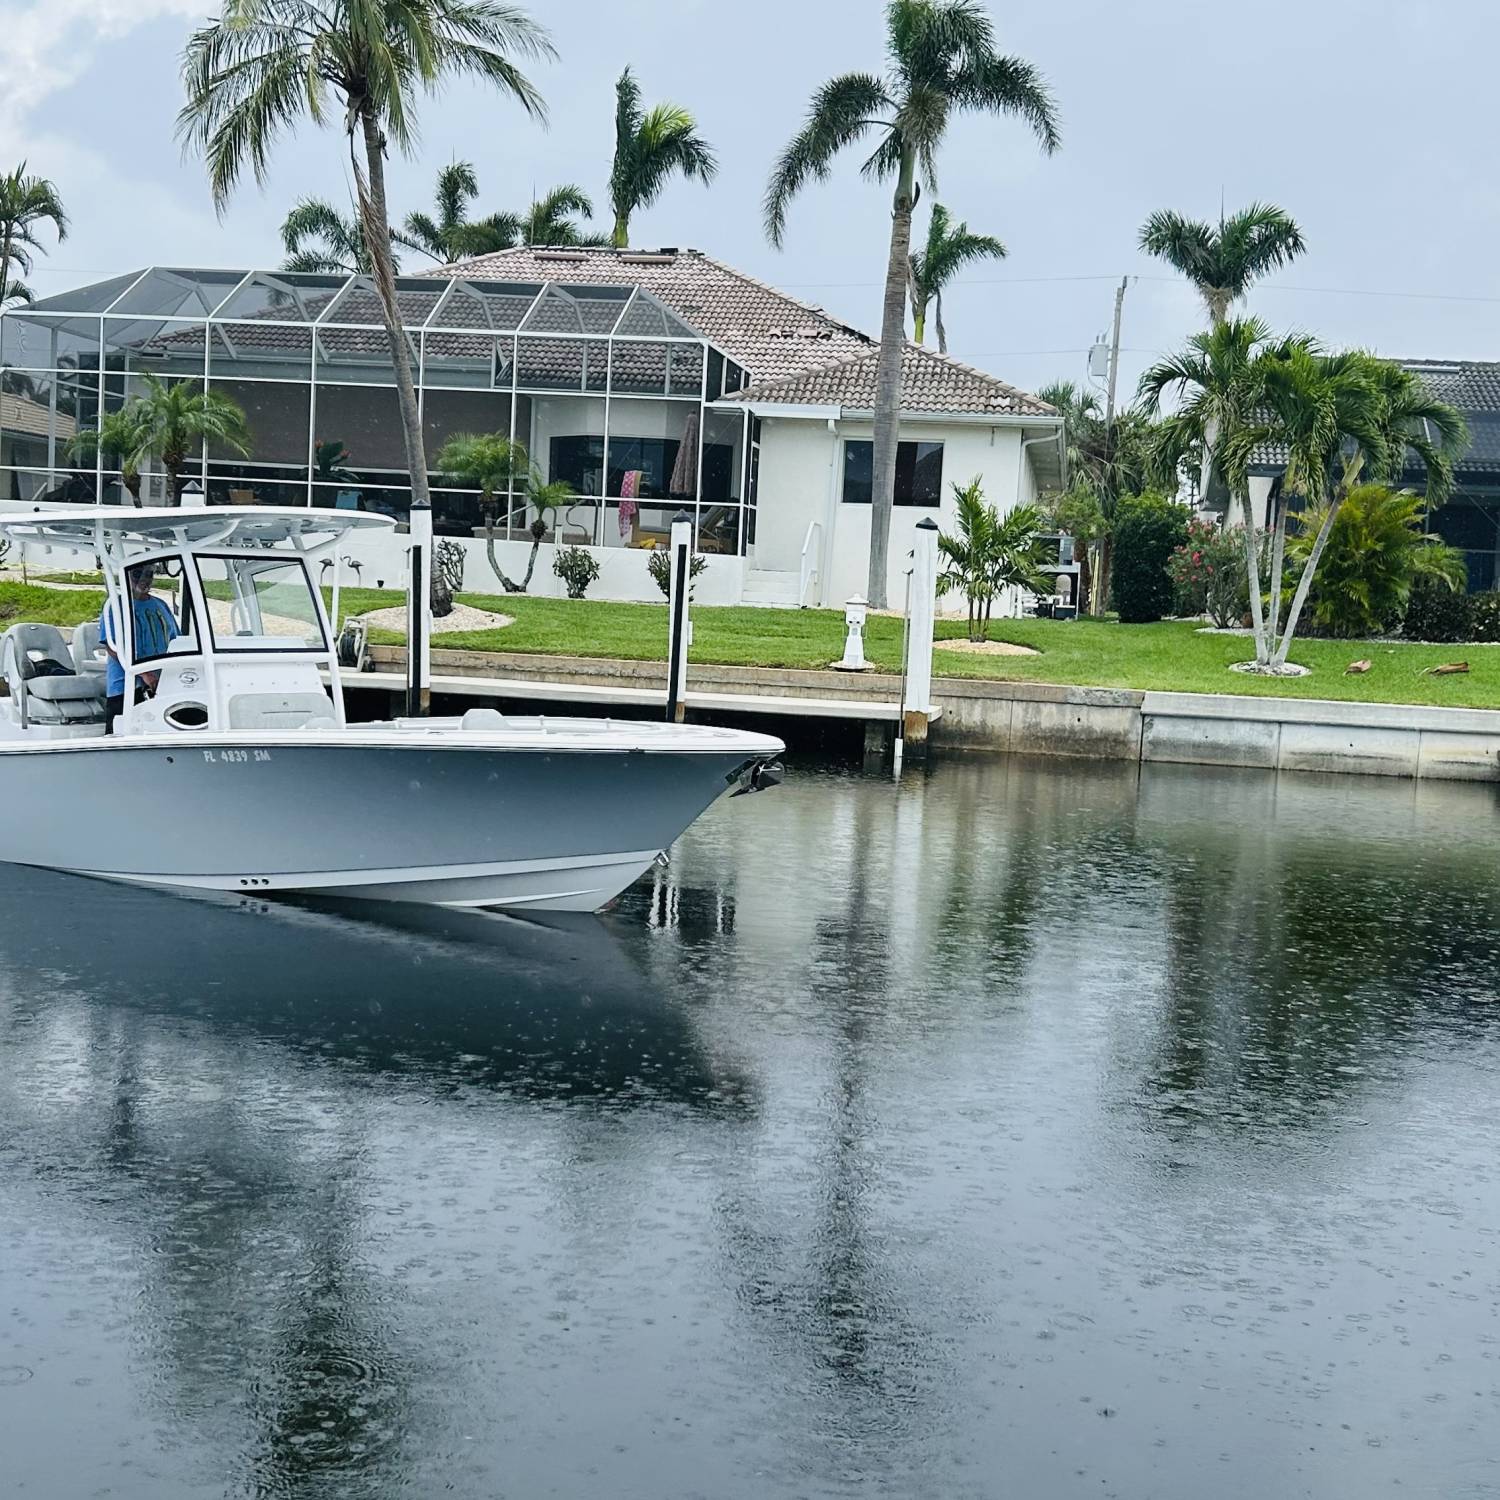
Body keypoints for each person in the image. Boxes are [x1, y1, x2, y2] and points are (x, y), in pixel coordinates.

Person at [101, 563, 178, 734]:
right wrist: (144, 674)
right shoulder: (115, 606)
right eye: (137, 574)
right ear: (126, 576)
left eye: (149, 574)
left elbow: (176, 641)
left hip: (163, 684)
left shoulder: (161, 606)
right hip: (125, 688)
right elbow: (113, 646)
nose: (144, 579)